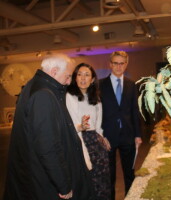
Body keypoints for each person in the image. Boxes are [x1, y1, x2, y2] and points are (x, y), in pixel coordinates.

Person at [3, 54, 94, 200]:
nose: (69, 81)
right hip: (43, 181)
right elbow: (48, 146)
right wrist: (63, 185)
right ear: (54, 72)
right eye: (68, 76)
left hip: (37, 176)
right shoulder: (43, 95)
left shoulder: (35, 86)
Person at [99, 51, 142, 199]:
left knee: (129, 173)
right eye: (115, 63)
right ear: (110, 64)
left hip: (128, 135)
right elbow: (97, 111)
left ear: (126, 64)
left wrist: (138, 134)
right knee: (109, 175)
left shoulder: (132, 85)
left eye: (122, 63)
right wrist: (100, 134)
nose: (118, 66)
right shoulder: (100, 85)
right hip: (107, 136)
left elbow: (135, 111)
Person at [66, 63, 111, 199]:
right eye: (79, 74)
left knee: (102, 181)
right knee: (88, 183)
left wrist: (102, 137)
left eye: (87, 75)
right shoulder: (70, 96)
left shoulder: (95, 98)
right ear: (75, 78)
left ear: (92, 80)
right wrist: (82, 126)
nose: (83, 78)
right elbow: (70, 125)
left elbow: (98, 125)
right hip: (80, 141)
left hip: (96, 143)